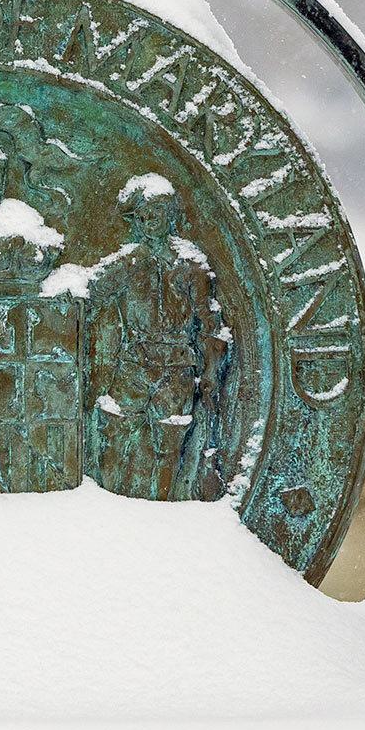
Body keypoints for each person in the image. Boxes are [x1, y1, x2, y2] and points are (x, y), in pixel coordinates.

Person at [87, 176, 226, 499]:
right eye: (142, 216)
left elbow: (209, 324)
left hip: (176, 368)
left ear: (170, 215)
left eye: (155, 213)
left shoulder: (192, 267)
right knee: (115, 435)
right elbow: (88, 293)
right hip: (134, 365)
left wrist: (209, 372)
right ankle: (105, 504)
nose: (149, 222)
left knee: (169, 443)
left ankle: (163, 511)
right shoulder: (129, 262)